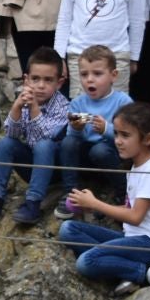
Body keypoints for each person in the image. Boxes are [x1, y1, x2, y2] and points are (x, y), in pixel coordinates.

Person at [57, 102, 150, 293]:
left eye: (125, 135)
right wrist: (91, 206)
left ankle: (143, 271)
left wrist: (96, 203)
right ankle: (125, 271)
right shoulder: (135, 168)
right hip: (133, 239)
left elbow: (135, 216)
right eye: (116, 134)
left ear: (148, 139)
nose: (118, 141)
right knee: (68, 229)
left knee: (86, 262)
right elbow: (129, 210)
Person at [0, 48, 71, 224]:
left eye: (48, 80)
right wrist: (16, 108)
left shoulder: (63, 107)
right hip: (32, 167)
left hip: (54, 169)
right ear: (26, 79)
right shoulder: (26, 99)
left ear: (59, 83)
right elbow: (12, 133)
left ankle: (33, 203)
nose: (41, 85)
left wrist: (34, 109)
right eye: (35, 79)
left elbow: (44, 138)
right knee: (6, 143)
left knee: (43, 145)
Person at [57, 46, 134, 209]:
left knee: (99, 149)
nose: (90, 79)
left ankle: (123, 192)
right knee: (68, 142)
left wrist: (107, 129)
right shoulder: (78, 103)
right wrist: (76, 128)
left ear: (113, 76)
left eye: (97, 74)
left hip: (112, 156)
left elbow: (131, 137)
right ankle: (70, 193)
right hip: (86, 159)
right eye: (84, 74)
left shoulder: (123, 101)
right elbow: (71, 139)